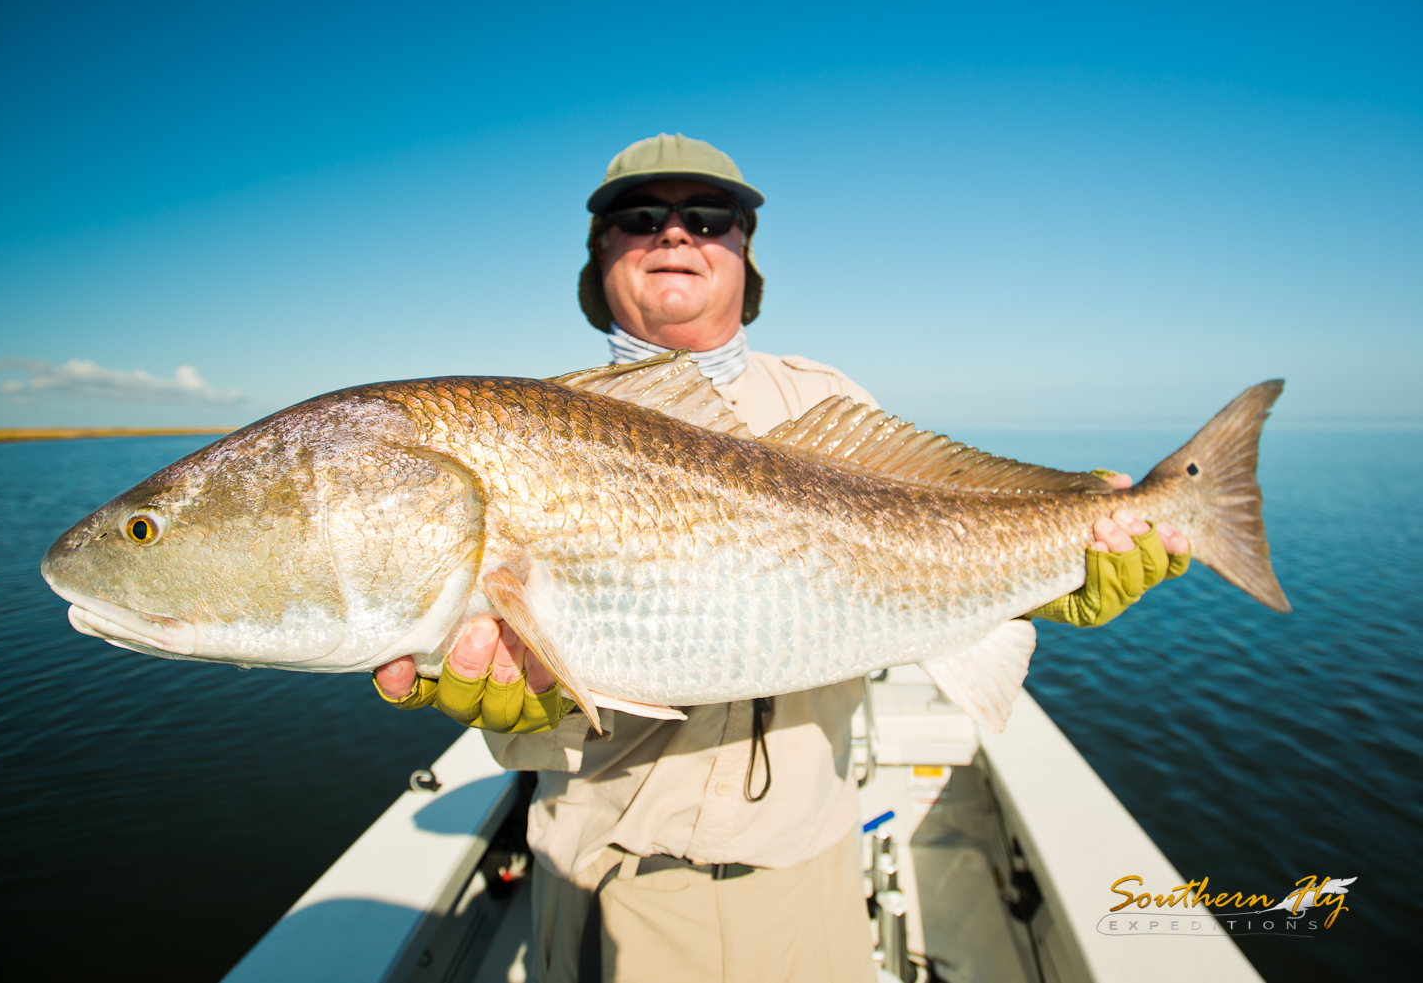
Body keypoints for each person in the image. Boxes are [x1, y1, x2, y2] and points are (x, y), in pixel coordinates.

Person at [372, 134, 1189, 983]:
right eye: (639, 216)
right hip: (609, 877)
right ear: (599, 253)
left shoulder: (827, 400)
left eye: (709, 215)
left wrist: (1042, 577)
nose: (676, 234)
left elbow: (919, 561)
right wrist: (514, 699)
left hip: (808, 875)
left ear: (745, 251)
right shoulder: (520, 433)